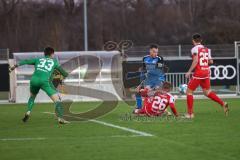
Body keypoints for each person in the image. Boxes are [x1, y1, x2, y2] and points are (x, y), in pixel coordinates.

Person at [9, 47, 69, 124]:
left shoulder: (38, 59)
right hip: (44, 81)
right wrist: (61, 78)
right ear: (52, 54)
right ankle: (60, 118)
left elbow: (26, 61)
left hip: (34, 80)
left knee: (32, 97)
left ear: (44, 53)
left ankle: (28, 112)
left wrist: (15, 66)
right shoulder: (54, 62)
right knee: (57, 100)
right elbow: (65, 73)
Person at [185, 33, 229, 118]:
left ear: (193, 41)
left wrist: (189, 71)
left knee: (189, 92)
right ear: (201, 40)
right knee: (207, 92)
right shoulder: (207, 49)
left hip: (199, 73)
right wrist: (204, 61)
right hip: (206, 72)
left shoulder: (194, 49)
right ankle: (223, 103)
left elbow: (195, 60)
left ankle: (190, 114)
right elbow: (211, 61)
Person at [134, 44, 165, 113]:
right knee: (137, 91)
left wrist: (148, 71)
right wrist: (140, 84)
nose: (155, 53)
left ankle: (160, 109)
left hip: (158, 79)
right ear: (150, 51)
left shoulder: (159, 58)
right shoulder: (145, 58)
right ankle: (139, 108)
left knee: (154, 93)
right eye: (154, 51)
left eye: (157, 52)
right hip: (148, 80)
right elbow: (143, 70)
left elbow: (158, 71)